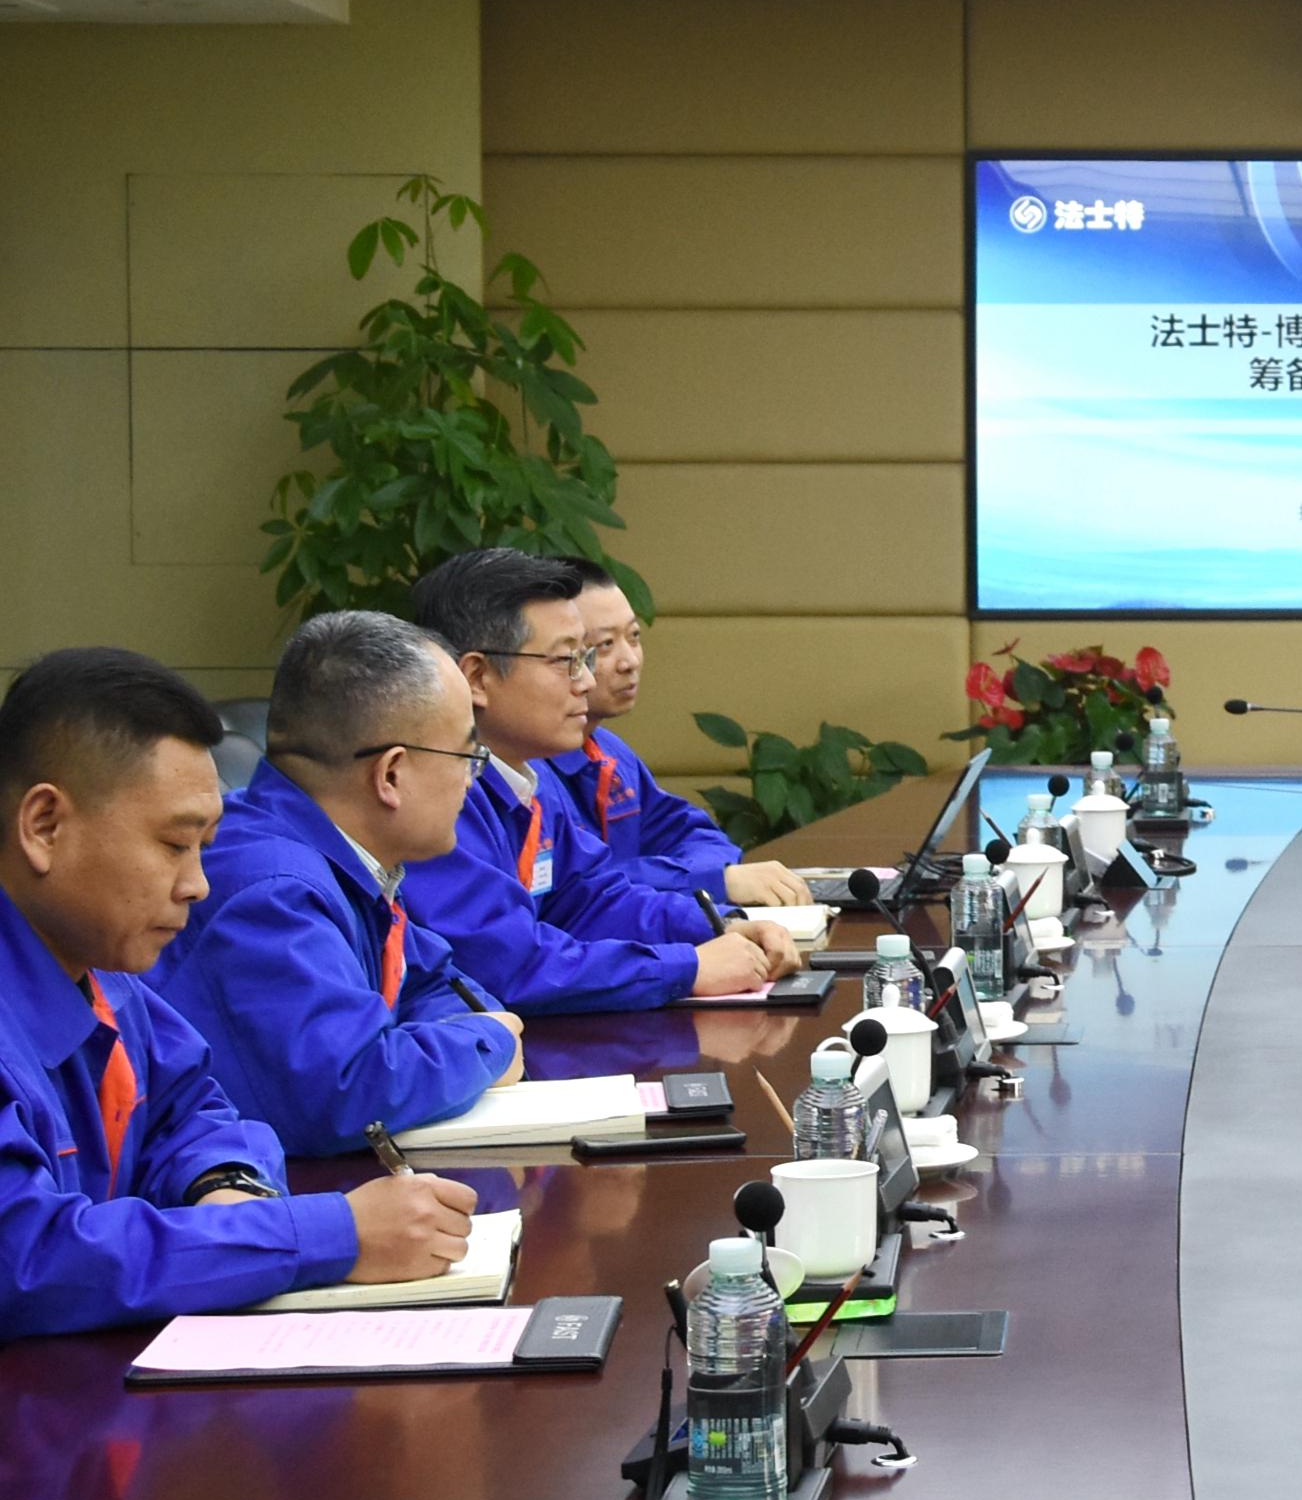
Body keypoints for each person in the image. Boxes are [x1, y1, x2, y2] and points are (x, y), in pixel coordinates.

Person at [0, 647, 479, 1336]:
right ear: (45, 825)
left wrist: (225, 1185)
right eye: (174, 845)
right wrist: (326, 1234)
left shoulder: (104, 973)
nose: (197, 884)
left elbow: (193, 1107)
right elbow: (28, 1257)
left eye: (205, 847)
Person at [151, 611, 524, 1155]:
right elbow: (347, 1091)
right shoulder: (272, 891)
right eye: (468, 755)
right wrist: (489, 1041)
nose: (473, 778)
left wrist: (454, 1040)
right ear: (391, 774)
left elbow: (443, 987)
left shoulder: (345, 857)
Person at [403, 549, 797, 1014]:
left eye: (586, 658)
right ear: (477, 676)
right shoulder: (434, 794)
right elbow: (508, 966)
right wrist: (686, 967)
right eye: (566, 660)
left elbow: (590, 900)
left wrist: (718, 927)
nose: (587, 682)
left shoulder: (527, 778)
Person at [540, 559, 811, 909]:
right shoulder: (525, 769)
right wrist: (710, 880)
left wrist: (714, 875)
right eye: (605, 645)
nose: (629, 661)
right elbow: (574, 893)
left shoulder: (609, 751)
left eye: (634, 637)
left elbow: (692, 834)